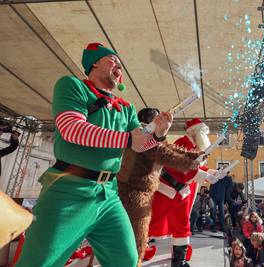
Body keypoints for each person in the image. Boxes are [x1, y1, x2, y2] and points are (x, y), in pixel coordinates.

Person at [15, 42, 172, 267]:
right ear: (95, 62)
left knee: (126, 261)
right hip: (68, 190)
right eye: (113, 60)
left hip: (109, 195)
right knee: (39, 263)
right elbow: (72, 129)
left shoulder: (126, 108)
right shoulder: (72, 86)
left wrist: (158, 134)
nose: (119, 67)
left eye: (120, 64)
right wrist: (128, 138)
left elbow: (139, 144)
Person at [117, 107, 202, 267]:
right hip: (134, 192)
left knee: (137, 233)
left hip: (142, 192)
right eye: (160, 121)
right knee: (137, 236)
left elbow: (168, 148)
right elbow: (163, 153)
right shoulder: (142, 135)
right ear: (153, 122)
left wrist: (194, 155)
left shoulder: (152, 136)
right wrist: (190, 163)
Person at [147, 118, 219, 267]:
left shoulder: (194, 146)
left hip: (181, 192)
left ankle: (179, 261)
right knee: (151, 221)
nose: (205, 137)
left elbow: (195, 168)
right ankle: (134, 250)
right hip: (167, 191)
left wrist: (212, 172)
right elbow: (177, 167)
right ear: (196, 133)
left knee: (182, 225)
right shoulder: (181, 143)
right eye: (203, 133)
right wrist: (205, 175)